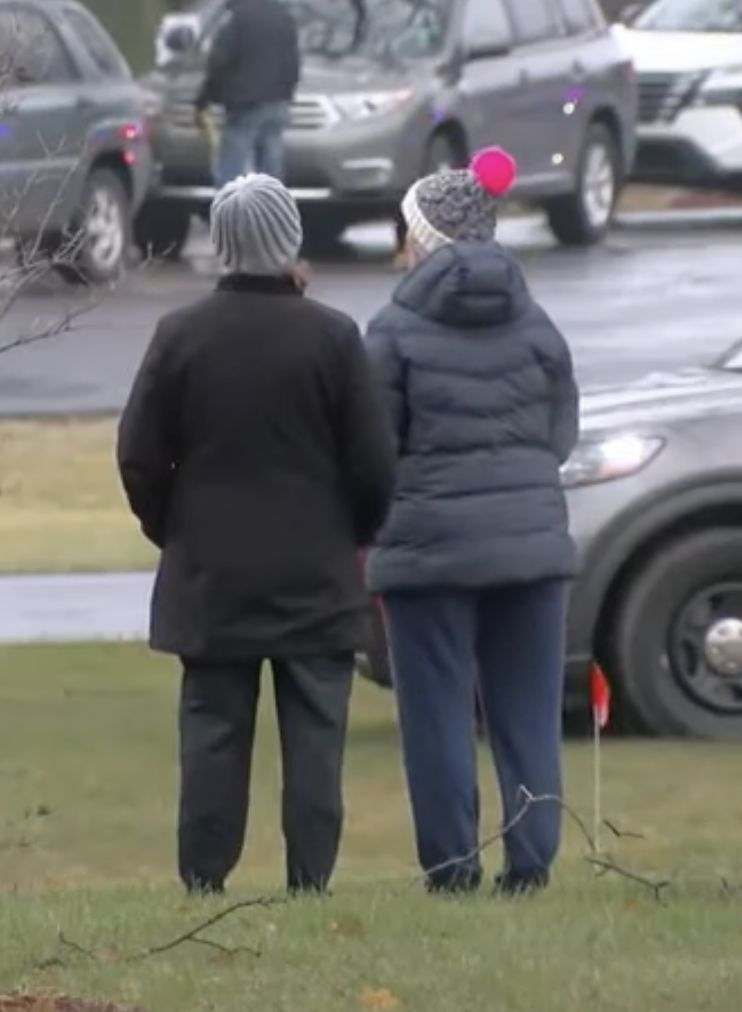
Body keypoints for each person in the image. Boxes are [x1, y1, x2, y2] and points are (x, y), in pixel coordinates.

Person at [116, 173, 397, 895]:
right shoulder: (333, 338)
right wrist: (351, 534)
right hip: (316, 572)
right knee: (315, 741)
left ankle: (204, 881)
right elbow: (373, 464)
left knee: (212, 737)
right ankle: (310, 883)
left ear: (223, 243)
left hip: (211, 574)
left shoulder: (180, 336)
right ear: (287, 242)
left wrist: (172, 528)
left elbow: (139, 455)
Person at [364, 147, 580, 897]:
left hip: (428, 551)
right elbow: (561, 436)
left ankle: (453, 868)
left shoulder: (391, 332)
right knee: (526, 715)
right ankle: (531, 864)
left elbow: (373, 449)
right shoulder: (537, 324)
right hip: (531, 544)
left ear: (420, 238)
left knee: (438, 718)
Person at [195, 0, 301, 185]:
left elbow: (219, 60)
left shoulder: (235, 18)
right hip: (277, 100)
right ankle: (271, 209)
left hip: (244, 102)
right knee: (271, 162)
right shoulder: (283, 16)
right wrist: (287, 93)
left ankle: (231, 210)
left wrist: (205, 97)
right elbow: (293, 61)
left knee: (232, 165)